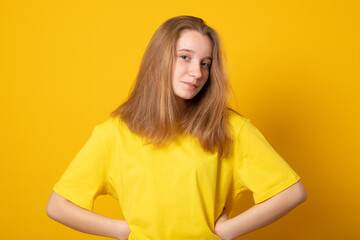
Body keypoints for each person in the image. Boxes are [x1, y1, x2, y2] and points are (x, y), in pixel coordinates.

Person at [46, 15, 307, 240]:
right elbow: (59, 206)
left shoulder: (229, 128)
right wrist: (123, 230)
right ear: (158, 60)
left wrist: (227, 232)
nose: (197, 72)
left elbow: (291, 192)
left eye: (205, 63)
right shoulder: (114, 133)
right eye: (185, 57)